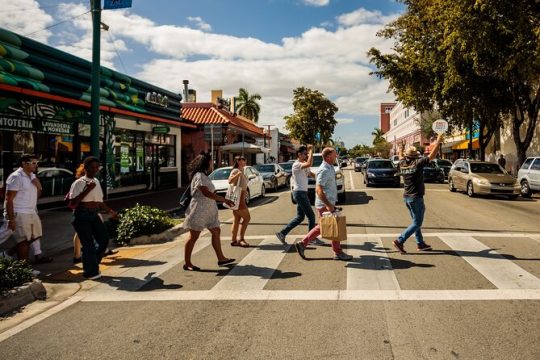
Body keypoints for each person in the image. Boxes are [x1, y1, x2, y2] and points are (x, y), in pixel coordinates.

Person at [294, 147, 352, 261]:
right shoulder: (324, 169)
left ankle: (304, 244)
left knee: (325, 226)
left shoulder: (330, 167)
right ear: (328, 156)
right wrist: (329, 205)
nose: (336, 157)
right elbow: (318, 189)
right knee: (327, 226)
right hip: (324, 204)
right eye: (335, 155)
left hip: (329, 202)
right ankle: (336, 252)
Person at [182, 154, 235, 271]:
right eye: (211, 162)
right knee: (193, 236)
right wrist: (224, 199)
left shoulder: (204, 176)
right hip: (198, 211)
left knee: (216, 231)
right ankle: (187, 263)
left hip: (209, 211)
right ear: (205, 163)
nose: (212, 164)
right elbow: (207, 193)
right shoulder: (199, 175)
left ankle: (221, 258)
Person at [393, 133, 444, 254]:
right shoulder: (417, 163)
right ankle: (400, 240)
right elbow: (431, 156)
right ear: (415, 156)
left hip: (407, 197)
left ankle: (420, 243)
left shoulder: (402, 163)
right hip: (416, 197)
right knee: (417, 222)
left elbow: (400, 156)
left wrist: (401, 148)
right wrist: (438, 142)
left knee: (415, 222)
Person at [68, 157, 117, 280]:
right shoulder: (78, 183)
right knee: (88, 244)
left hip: (94, 214)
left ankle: (92, 262)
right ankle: (91, 272)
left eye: (97, 167)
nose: (95, 169)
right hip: (82, 215)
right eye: (92, 167)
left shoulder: (96, 181)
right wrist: (87, 189)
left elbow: (99, 202)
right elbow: (73, 202)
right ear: (85, 168)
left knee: (104, 239)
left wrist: (110, 211)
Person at [3, 154, 52, 264]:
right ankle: (23, 269)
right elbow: (8, 199)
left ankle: (8, 254)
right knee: (23, 241)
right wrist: (11, 219)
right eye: (34, 163)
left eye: (37, 163)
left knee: (36, 236)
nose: (36, 165)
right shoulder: (16, 177)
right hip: (19, 212)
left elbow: (36, 196)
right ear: (24, 164)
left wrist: (39, 187)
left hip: (31, 211)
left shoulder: (32, 176)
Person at [276, 145, 323, 245]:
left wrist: (321, 181)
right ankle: (311, 238)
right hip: (299, 193)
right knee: (311, 216)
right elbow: (309, 163)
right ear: (299, 154)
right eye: (305, 154)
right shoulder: (296, 165)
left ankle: (282, 233)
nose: (306, 155)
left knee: (300, 217)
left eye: (306, 154)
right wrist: (311, 151)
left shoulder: (303, 165)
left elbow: (311, 174)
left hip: (302, 193)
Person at [228, 156, 251, 247]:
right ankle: (241, 239)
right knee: (247, 218)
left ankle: (234, 240)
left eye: (245, 159)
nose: (245, 161)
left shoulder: (242, 170)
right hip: (239, 198)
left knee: (237, 219)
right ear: (238, 161)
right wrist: (239, 174)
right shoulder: (236, 171)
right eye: (243, 159)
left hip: (240, 198)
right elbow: (230, 181)